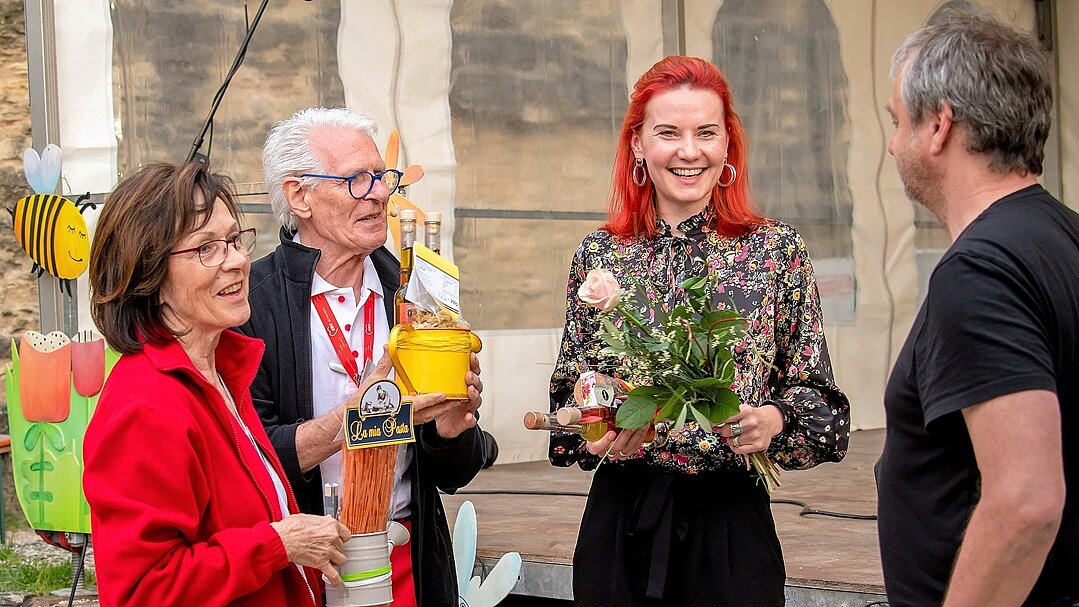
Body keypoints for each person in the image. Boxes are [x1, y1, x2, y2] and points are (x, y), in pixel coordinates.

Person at [549, 55, 850, 606]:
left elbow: (822, 402)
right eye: (668, 133)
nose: (689, 152)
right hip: (625, 522)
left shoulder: (776, 251)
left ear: (727, 145)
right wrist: (602, 420)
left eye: (706, 133)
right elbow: (571, 391)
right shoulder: (599, 256)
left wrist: (774, 420)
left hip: (731, 526)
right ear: (637, 145)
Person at [236, 107, 488, 607]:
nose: (377, 193)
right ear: (299, 195)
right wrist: (355, 421)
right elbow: (250, 461)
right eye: (356, 179)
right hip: (305, 565)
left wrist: (454, 429)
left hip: (407, 561)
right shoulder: (251, 303)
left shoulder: (418, 294)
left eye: (381, 176)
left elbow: (454, 471)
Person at [876, 11, 1077, 607]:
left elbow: (1027, 502)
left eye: (897, 121)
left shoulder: (980, 271)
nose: (891, 143)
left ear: (939, 126)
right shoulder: (1065, 237)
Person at [83, 162, 351, 607]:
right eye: (206, 248)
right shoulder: (146, 404)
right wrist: (277, 544)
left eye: (233, 240)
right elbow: (144, 591)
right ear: (149, 275)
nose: (236, 261)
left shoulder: (222, 374)